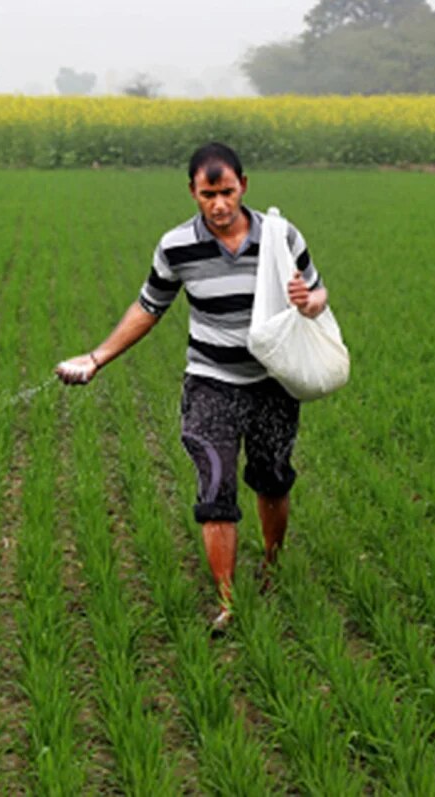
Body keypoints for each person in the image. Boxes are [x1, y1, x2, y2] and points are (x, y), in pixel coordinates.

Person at [56, 142, 327, 632]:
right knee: (215, 484)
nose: (219, 204)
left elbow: (317, 290)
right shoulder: (176, 246)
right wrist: (97, 357)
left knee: (271, 478)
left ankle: (272, 564)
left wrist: (308, 302)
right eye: (207, 194)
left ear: (244, 185)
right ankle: (228, 601)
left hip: (272, 382)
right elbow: (148, 307)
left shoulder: (280, 236)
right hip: (210, 383)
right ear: (192, 192)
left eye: (226, 191)